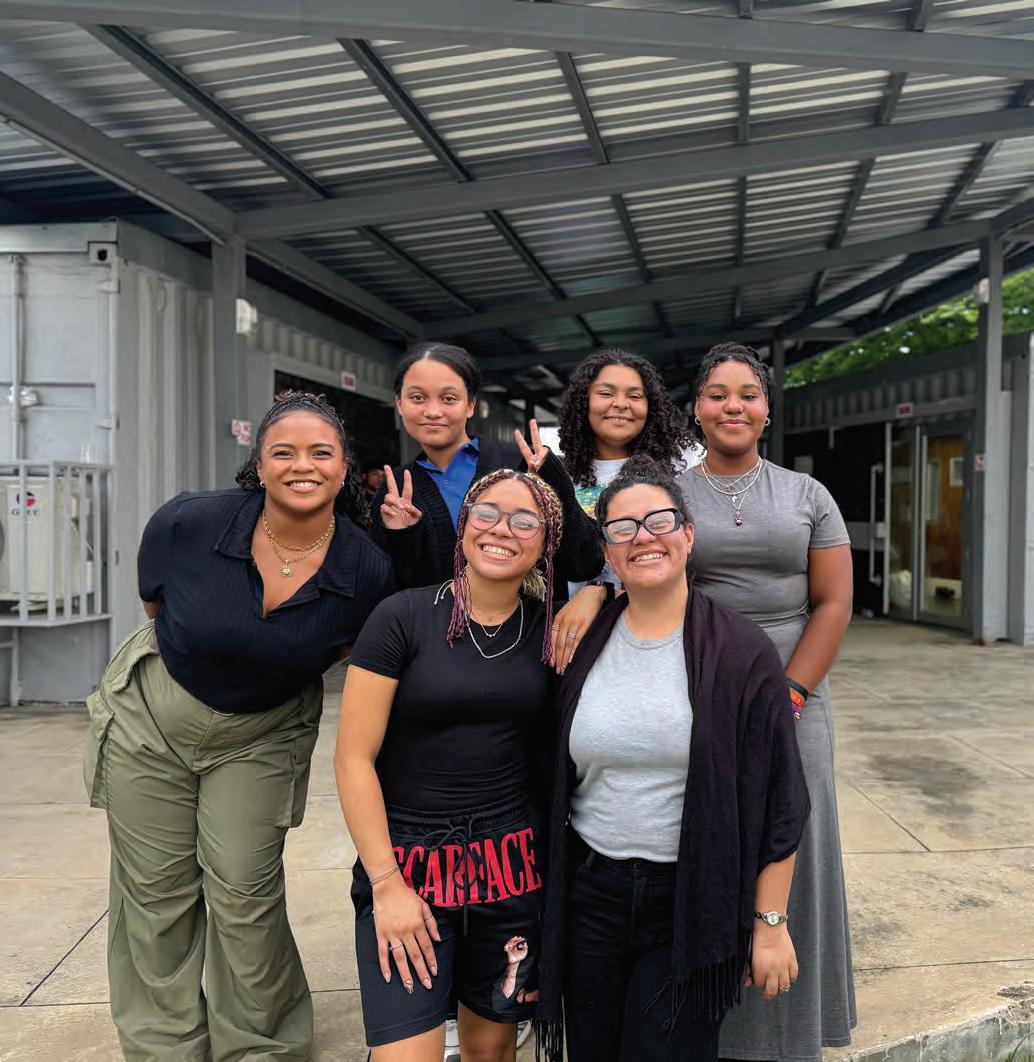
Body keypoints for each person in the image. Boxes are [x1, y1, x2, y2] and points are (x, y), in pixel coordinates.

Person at [81, 391, 394, 1061]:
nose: (302, 465)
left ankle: (262, 1045)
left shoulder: (366, 570)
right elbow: (158, 605)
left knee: (244, 891)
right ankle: (165, 1046)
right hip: (152, 719)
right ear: (259, 464)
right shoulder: (189, 521)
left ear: (344, 467)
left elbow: (340, 651)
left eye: (320, 452)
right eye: (284, 452)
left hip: (263, 731)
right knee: (154, 892)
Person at [536, 456, 811, 1062]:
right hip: (591, 894)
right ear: (607, 554)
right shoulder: (580, 643)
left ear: (688, 535)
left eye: (659, 521)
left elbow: (780, 797)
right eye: (622, 528)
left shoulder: (741, 651)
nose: (643, 537)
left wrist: (770, 923)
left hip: (689, 898)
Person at [336, 469, 565, 1060]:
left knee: (490, 1051)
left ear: (547, 543)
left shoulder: (552, 629)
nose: (502, 530)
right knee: (404, 1053)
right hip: (408, 865)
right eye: (487, 513)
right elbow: (353, 759)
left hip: (511, 867)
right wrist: (385, 885)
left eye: (525, 521)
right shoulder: (402, 616)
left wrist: (594, 594)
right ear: (463, 526)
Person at [678, 342, 856, 1062]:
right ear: (697, 408)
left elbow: (834, 602)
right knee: (712, 837)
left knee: (796, 835)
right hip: (700, 686)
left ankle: (792, 1027)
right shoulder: (671, 494)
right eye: (718, 394)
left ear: (767, 409)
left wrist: (791, 693)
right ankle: (711, 1025)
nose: (733, 406)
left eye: (748, 394)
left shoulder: (808, 495)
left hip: (796, 687)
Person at [370, 341, 603, 616]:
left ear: (470, 405)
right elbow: (387, 589)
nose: (432, 411)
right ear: (399, 404)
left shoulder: (520, 464)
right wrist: (403, 537)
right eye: (418, 397)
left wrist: (554, 482)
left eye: (449, 398)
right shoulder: (395, 491)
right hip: (432, 638)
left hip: (528, 633)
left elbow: (585, 563)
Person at [549, 348, 694, 671]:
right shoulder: (563, 475)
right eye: (606, 393)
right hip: (581, 637)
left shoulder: (683, 464)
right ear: (584, 402)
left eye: (634, 396)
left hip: (665, 628)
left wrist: (602, 592)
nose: (620, 404)